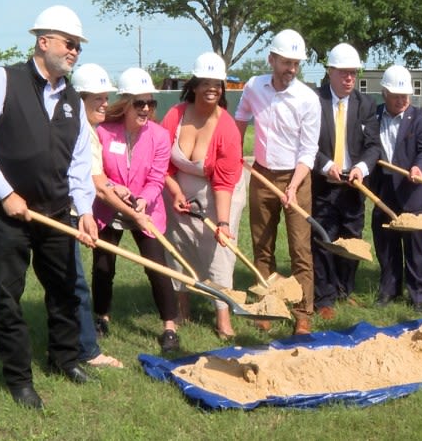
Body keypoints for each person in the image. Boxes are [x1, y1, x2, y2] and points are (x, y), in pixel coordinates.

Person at [0, 5, 97, 410]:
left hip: (55, 212)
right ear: (44, 41)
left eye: (78, 47)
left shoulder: (72, 99)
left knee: (64, 287)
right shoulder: (2, 80)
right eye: (69, 44)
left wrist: (84, 210)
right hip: (6, 215)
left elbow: (80, 162)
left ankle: (65, 357)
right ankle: (19, 379)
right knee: (9, 294)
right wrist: (4, 192)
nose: (74, 52)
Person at [234, 29, 321, 335]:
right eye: (286, 62)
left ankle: (302, 313)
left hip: (296, 177)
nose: (292, 69)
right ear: (271, 59)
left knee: (300, 248)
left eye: (296, 64)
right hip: (260, 174)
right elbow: (240, 119)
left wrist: (293, 187)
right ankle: (267, 305)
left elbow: (309, 150)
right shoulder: (254, 87)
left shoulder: (308, 99)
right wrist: (233, 151)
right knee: (262, 246)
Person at [90, 67, 181, 352]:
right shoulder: (104, 132)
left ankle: (169, 327)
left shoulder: (159, 136)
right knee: (103, 266)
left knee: (157, 268)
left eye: (150, 103)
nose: (146, 109)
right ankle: (101, 317)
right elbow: (98, 172)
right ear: (125, 103)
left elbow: (157, 177)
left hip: (146, 210)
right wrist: (116, 189)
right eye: (139, 103)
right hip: (109, 208)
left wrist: (144, 200)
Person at [160, 52, 247, 339]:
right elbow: (162, 161)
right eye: (206, 82)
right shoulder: (175, 114)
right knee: (179, 246)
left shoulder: (227, 128)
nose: (212, 88)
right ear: (194, 85)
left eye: (217, 83)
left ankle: (223, 317)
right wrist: (174, 192)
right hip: (177, 189)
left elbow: (224, 182)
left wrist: (222, 223)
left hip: (221, 192)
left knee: (218, 252)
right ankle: (182, 308)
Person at [311, 43, 382, 320]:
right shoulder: (315, 101)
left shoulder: (365, 105)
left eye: (353, 73)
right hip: (324, 185)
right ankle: (324, 297)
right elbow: (305, 143)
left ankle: (343, 290)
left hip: (354, 186)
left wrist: (362, 168)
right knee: (324, 240)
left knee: (352, 240)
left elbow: (373, 145)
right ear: (330, 72)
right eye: (343, 73)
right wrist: (326, 165)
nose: (349, 78)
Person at [68, 63, 129, 369]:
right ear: (80, 99)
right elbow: (94, 183)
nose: (105, 103)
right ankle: (87, 351)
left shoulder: (85, 129)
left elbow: (99, 178)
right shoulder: (80, 129)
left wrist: (117, 187)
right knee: (74, 283)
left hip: (74, 211)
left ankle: (67, 346)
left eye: (106, 97)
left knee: (66, 283)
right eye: (98, 99)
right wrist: (135, 215)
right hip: (66, 214)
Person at [368, 65, 422, 312]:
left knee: (416, 245)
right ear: (384, 93)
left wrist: (419, 167)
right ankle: (389, 288)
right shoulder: (373, 116)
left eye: (405, 95)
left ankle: (418, 295)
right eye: (396, 96)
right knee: (385, 242)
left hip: (412, 189)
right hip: (382, 187)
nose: (402, 100)